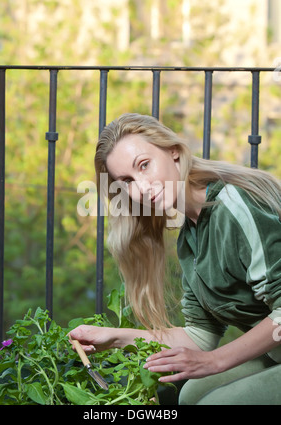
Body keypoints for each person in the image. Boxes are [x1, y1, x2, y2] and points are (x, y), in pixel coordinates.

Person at [70, 113, 281, 405]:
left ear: (174, 152)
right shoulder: (189, 237)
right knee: (191, 393)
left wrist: (216, 362)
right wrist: (113, 337)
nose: (141, 187)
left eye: (144, 165)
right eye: (127, 181)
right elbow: (200, 335)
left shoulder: (235, 205)